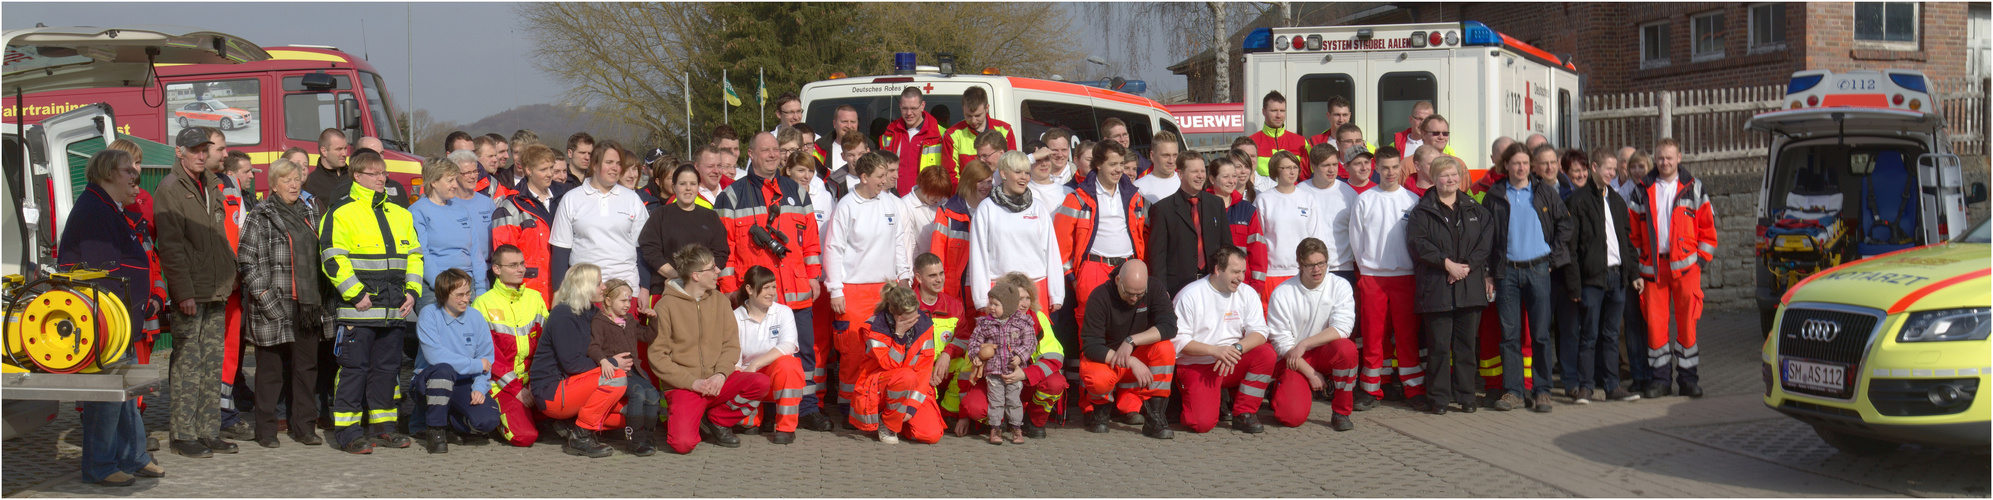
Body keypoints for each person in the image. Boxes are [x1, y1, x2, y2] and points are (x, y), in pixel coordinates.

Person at [60, 149, 167, 485]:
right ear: (107, 174)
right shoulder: (95, 210)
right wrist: (123, 316)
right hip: (106, 322)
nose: (134, 177)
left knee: (124, 394)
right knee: (106, 397)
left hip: (122, 320)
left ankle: (133, 456)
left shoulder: (108, 208)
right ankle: (101, 466)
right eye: (126, 171)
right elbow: (102, 274)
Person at [715, 132, 832, 432]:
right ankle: (756, 406)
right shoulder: (730, 196)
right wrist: (730, 291)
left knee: (803, 352)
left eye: (775, 150)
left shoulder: (797, 191)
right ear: (750, 154)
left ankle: (804, 408)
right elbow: (722, 250)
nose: (771, 155)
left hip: (796, 290)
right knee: (751, 352)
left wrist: (814, 276)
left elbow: (811, 242)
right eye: (764, 150)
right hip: (753, 295)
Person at [318, 149, 425, 453]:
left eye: (383, 173)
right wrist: (355, 294)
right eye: (375, 174)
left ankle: (383, 428)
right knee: (353, 371)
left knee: (386, 371)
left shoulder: (400, 214)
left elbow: (415, 256)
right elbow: (332, 258)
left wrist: (412, 292)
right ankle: (348, 432)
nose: (382, 178)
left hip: (393, 310)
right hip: (359, 309)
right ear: (357, 176)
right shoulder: (340, 211)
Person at [155, 127, 240, 457]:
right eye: (194, 150)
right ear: (180, 152)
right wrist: (183, 292)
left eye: (205, 149)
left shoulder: (212, 184)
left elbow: (220, 235)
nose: (202, 155)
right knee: (188, 365)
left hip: (216, 288)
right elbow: (172, 248)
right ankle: (182, 434)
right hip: (191, 292)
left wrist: (230, 274)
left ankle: (208, 431)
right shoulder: (170, 189)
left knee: (211, 364)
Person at [238, 158, 334, 448]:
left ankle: (304, 427)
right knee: (270, 371)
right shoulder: (260, 215)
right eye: (287, 180)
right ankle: (265, 430)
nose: (294, 185)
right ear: (274, 185)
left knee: (306, 369)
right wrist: (264, 297)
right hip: (273, 304)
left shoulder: (311, 213)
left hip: (308, 306)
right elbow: (246, 261)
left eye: (297, 179)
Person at [649, 245, 772, 453]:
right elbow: (658, 357)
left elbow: (731, 345)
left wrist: (721, 375)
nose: (718, 271)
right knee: (682, 444)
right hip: (686, 386)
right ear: (696, 275)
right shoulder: (665, 306)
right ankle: (696, 418)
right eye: (712, 268)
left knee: (760, 383)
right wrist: (692, 382)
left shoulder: (721, 301)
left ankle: (718, 420)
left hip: (718, 382)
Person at [824, 151, 915, 419]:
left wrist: (905, 279)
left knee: (882, 349)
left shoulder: (890, 203)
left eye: (886, 175)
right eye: (880, 176)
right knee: (852, 351)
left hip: (885, 290)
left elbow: (900, 244)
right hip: (853, 290)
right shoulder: (846, 206)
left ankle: (874, 400)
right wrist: (836, 289)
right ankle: (848, 403)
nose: (885, 180)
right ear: (863, 177)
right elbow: (833, 248)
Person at [1483, 142, 1573, 413]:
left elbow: (1565, 226)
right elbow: (1485, 238)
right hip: (1506, 272)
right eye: (1515, 163)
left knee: (1540, 334)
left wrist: (1552, 259)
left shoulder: (1544, 192)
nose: (1521, 168)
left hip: (1538, 270)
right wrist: (1488, 273)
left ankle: (1542, 390)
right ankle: (1514, 391)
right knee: (1509, 335)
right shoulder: (1496, 194)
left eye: (1525, 163)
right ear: (1506, 166)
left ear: (1530, 166)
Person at [1628, 138, 1715, 400]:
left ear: (1679, 157)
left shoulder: (1694, 188)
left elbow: (1708, 231)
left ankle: (1688, 380)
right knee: (1655, 326)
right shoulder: (1641, 189)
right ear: (1655, 159)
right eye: (1660, 158)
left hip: (1687, 269)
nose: (1664, 162)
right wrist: (1638, 264)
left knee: (1688, 324)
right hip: (1652, 270)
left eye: (1669, 157)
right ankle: (1660, 381)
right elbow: (1632, 233)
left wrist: (1699, 262)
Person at [1408, 156, 1494, 414]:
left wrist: (1464, 267)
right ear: (1434, 178)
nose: (1450, 180)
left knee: (1466, 346)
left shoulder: (1476, 210)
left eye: (1454, 175)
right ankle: (1439, 399)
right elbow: (1418, 243)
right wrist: (1447, 264)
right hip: (1437, 288)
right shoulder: (1422, 211)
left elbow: (1485, 244)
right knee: (1439, 348)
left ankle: (1467, 397)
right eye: (1444, 175)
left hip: (1469, 287)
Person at [1558, 151, 1642, 404]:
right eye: (1608, 168)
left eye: (1615, 169)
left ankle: (1612, 386)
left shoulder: (1616, 201)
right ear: (1594, 167)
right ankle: (1585, 387)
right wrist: (1574, 285)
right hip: (1591, 279)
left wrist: (1634, 273)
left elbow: (1626, 241)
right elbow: (1570, 249)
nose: (1612, 173)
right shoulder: (1577, 201)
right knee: (1589, 334)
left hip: (1617, 277)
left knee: (1611, 334)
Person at [1349, 146, 1427, 410]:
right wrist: (1369, 269)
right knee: (1373, 336)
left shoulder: (1411, 200)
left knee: (1407, 336)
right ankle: (1372, 389)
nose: (1391, 172)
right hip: (1373, 277)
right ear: (1376, 169)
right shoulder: (1365, 200)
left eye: (1395, 167)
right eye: (1385, 168)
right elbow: (1356, 241)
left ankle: (1413, 389)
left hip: (1405, 276)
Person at [1171, 247, 1274, 434]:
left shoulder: (1247, 293)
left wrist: (1237, 347)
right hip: (1198, 364)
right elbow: (1177, 342)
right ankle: (1200, 401)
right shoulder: (1190, 295)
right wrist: (1215, 351)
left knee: (1266, 353)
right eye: (1235, 272)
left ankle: (1244, 413)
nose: (1241, 278)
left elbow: (1260, 332)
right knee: (1201, 424)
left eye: (1243, 271)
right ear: (1218, 270)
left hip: (1231, 359)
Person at [1266, 237, 1361, 429]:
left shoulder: (1340, 286)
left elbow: (1343, 328)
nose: (1316, 270)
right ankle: (1277, 389)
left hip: (1323, 351)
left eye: (1321, 263)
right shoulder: (1282, 293)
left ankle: (1341, 412)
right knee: (1290, 418)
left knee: (1348, 349)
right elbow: (1282, 343)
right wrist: (1310, 373)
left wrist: (1305, 344)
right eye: (1310, 265)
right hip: (1294, 359)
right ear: (1300, 264)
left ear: (1327, 261)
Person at [1076, 260, 1176, 438]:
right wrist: (1130, 360)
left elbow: (1169, 327)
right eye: (1129, 293)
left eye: (1139, 294)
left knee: (1165, 348)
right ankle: (1099, 411)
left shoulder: (1155, 288)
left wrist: (1131, 341)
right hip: (1108, 359)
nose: (1134, 298)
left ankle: (1155, 417)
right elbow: (1091, 346)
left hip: (1139, 356)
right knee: (1097, 377)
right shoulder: (1099, 297)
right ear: (1117, 281)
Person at [531, 264, 620, 458]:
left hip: (575, 385)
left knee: (624, 416)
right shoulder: (563, 314)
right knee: (616, 377)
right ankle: (580, 437)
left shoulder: (592, 313)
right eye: (598, 283)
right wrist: (611, 362)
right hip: (551, 391)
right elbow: (573, 365)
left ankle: (572, 424)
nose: (604, 287)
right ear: (584, 287)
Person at [550, 141, 650, 311]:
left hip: (626, 291)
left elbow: (642, 248)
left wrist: (645, 288)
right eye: (609, 163)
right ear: (594, 165)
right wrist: (558, 293)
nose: (615, 168)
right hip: (585, 292)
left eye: (619, 164)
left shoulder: (632, 199)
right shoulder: (571, 199)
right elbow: (561, 251)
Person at [1054, 140, 1146, 324]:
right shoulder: (1077, 197)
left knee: (1128, 324)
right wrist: (1071, 278)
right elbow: (1060, 242)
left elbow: (1141, 237)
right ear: (1098, 164)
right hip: (1093, 268)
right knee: (1090, 325)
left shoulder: (1135, 197)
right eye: (1112, 164)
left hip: (1127, 266)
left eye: (1121, 164)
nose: (1119, 169)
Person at [410, 269, 500, 454]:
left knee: (487, 421)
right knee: (443, 370)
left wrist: (479, 387)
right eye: (459, 295)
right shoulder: (429, 314)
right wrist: (475, 365)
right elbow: (435, 357)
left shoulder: (476, 317)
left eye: (468, 293)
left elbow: (486, 358)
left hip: (463, 382)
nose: (466, 299)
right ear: (443, 295)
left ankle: (451, 422)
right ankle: (436, 430)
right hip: (429, 381)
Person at [968, 151, 1065, 316]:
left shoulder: (1038, 207)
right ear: (1004, 174)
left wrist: (1056, 294)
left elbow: (1052, 252)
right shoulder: (986, 208)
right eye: (1018, 172)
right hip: (1000, 291)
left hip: (1036, 289)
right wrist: (980, 298)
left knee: (1037, 340)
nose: (1024, 178)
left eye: (1027, 173)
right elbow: (978, 255)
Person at [845, 283, 943, 444]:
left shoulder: (925, 326)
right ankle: (888, 423)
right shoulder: (874, 327)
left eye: (915, 315)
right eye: (907, 317)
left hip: (913, 388)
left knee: (930, 435)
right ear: (893, 313)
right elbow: (890, 366)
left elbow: (924, 371)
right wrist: (899, 336)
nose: (913, 320)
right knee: (906, 376)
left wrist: (911, 408)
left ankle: (898, 421)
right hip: (880, 388)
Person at [473, 245, 547, 447]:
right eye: (513, 265)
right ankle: (498, 420)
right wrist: (517, 389)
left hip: (533, 382)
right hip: (501, 386)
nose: (520, 269)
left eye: (522, 264)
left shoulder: (535, 298)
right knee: (525, 437)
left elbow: (546, 344)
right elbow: (489, 356)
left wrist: (537, 382)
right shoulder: (483, 304)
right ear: (496, 269)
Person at [731, 266, 809, 444]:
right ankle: (750, 422)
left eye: (773, 287)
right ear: (749, 289)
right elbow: (733, 352)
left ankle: (786, 428)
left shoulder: (783, 312)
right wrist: (741, 372)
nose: (771, 293)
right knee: (732, 373)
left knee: (790, 364)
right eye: (766, 288)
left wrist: (755, 365)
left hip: (772, 378)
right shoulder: (735, 316)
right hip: (748, 378)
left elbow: (789, 345)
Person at [588, 279, 661, 455]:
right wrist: (604, 360)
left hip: (633, 370)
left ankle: (648, 436)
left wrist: (653, 320)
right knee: (637, 394)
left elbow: (646, 336)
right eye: (623, 300)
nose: (628, 305)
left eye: (629, 300)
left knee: (652, 394)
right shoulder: (600, 321)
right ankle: (634, 441)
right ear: (608, 301)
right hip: (616, 372)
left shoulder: (629, 320)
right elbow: (594, 347)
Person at [491, 145, 568, 305]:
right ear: (528, 170)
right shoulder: (510, 207)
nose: (549, 174)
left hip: (566, 287)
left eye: (551, 168)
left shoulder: (565, 199)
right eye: (543, 169)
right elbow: (505, 255)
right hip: (529, 291)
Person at [964, 278, 1036, 445]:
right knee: (996, 402)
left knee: (1014, 401)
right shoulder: (985, 324)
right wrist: (976, 355)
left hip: (1013, 372)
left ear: (1009, 306)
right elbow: (974, 341)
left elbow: (1030, 342)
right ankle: (995, 428)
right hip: (994, 372)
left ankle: (1016, 428)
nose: (991, 307)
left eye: (996, 304)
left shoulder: (1022, 323)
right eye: (990, 303)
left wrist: (1020, 355)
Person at [640, 164, 730, 295]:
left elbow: (721, 252)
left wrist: (702, 278)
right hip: (666, 289)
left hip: (703, 291)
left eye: (693, 184)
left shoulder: (710, 217)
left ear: (698, 186)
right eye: (682, 184)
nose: (688, 188)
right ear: (674, 186)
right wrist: (676, 276)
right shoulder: (660, 215)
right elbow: (650, 250)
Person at [1146, 154, 1228, 294]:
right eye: (1194, 171)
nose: (1200, 176)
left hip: (1213, 283)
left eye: (1202, 171)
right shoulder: (1162, 209)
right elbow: (1157, 257)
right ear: (1180, 174)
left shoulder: (1216, 204)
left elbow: (1226, 245)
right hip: (1177, 286)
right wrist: (1160, 290)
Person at [1256, 150, 1326, 300]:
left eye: (1294, 167)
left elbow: (1316, 237)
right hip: (1273, 273)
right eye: (1286, 168)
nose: (1292, 171)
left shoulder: (1308, 199)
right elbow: (1258, 239)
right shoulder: (1263, 200)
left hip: (1303, 272)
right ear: (1275, 171)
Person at [1207, 157, 1269, 299]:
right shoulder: (1200, 207)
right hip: (1210, 284)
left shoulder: (1247, 211)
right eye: (1225, 177)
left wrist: (1257, 287)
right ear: (1212, 179)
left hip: (1241, 285)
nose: (1231, 181)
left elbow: (1258, 250)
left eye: (1234, 176)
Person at [941, 86, 1017, 183]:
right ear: (963, 109)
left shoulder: (1005, 130)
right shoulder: (952, 135)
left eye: (978, 115)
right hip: (967, 195)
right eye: (968, 115)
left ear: (987, 108)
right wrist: (965, 196)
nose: (973, 120)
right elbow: (950, 175)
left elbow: (1012, 166)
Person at [882, 87, 944, 195]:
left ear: (922, 106)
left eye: (913, 108)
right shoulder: (890, 132)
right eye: (905, 108)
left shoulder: (939, 134)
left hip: (926, 200)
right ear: (900, 105)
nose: (909, 113)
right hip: (894, 198)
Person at [1247, 91, 1311, 181]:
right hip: (1261, 193)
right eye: (1274, 111)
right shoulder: (1251, 142)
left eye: (1282, 111)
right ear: (1263, 112)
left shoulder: (1301, 142)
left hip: (1293, 193)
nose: (1279, 115)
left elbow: (1307, 175)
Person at [303, 128, 351, 212]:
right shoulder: (310, 183)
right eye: (339, 149)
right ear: (324, 151)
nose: (344, 154)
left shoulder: (354, 176)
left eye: (345, 148)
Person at [1132, 131, 1183, 205]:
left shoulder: (1185, 182)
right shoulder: (1138, 188)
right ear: (1152, 156)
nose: (1171, 161)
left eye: (1175, 155)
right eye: (1166, 155)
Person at [1024, 141, 1069, 211]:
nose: (1044, 164)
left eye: (1047, 159)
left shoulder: (1067, 192)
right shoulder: (1021, 191)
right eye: (1038, 160)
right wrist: (1033, 156)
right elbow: (1004, 170)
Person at [822, 105, 862, 171]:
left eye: (853, 122)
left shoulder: (871, 147)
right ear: (834, 124)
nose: (849, 126)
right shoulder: (820, 148)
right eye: (844, 121)